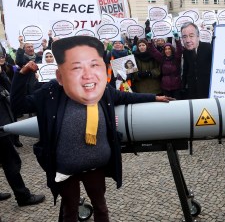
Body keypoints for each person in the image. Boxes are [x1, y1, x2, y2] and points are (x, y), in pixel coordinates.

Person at [10, 35, 174, 221]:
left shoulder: (101, 90)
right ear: (61, 75)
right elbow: (18, 106)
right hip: (65, 167)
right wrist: (21, 75)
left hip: (95, 166)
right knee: (69, 211)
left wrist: (154, 98)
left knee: (101, 208)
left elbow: (127, 97)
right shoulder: (50, 92)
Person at [0, 48, 45, 207]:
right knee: (11, 162)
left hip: (4, 121)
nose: (2, 58)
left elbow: (9, 89)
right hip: (1, 126)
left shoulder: (3, 72)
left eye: (2, 55)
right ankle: (22, 196)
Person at [181, 22, 213, 99]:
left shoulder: (208, 48)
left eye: (191, 36)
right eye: (184, 37)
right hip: (192, 91)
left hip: (207, 89)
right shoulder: (186, 51)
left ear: (198, 36)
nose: (188, 40)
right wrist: (183, 87)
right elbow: (186, 70)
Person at [151, 31, 183, 99]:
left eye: (169, 49)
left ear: (172, 50)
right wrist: (149, 41)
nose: (167, 50)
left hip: (176, 87)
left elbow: (180, 49)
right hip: (165, 87)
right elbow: (153, 51)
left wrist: (177, 39)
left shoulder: (176, 58)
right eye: (166, 49)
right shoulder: (162, 58)